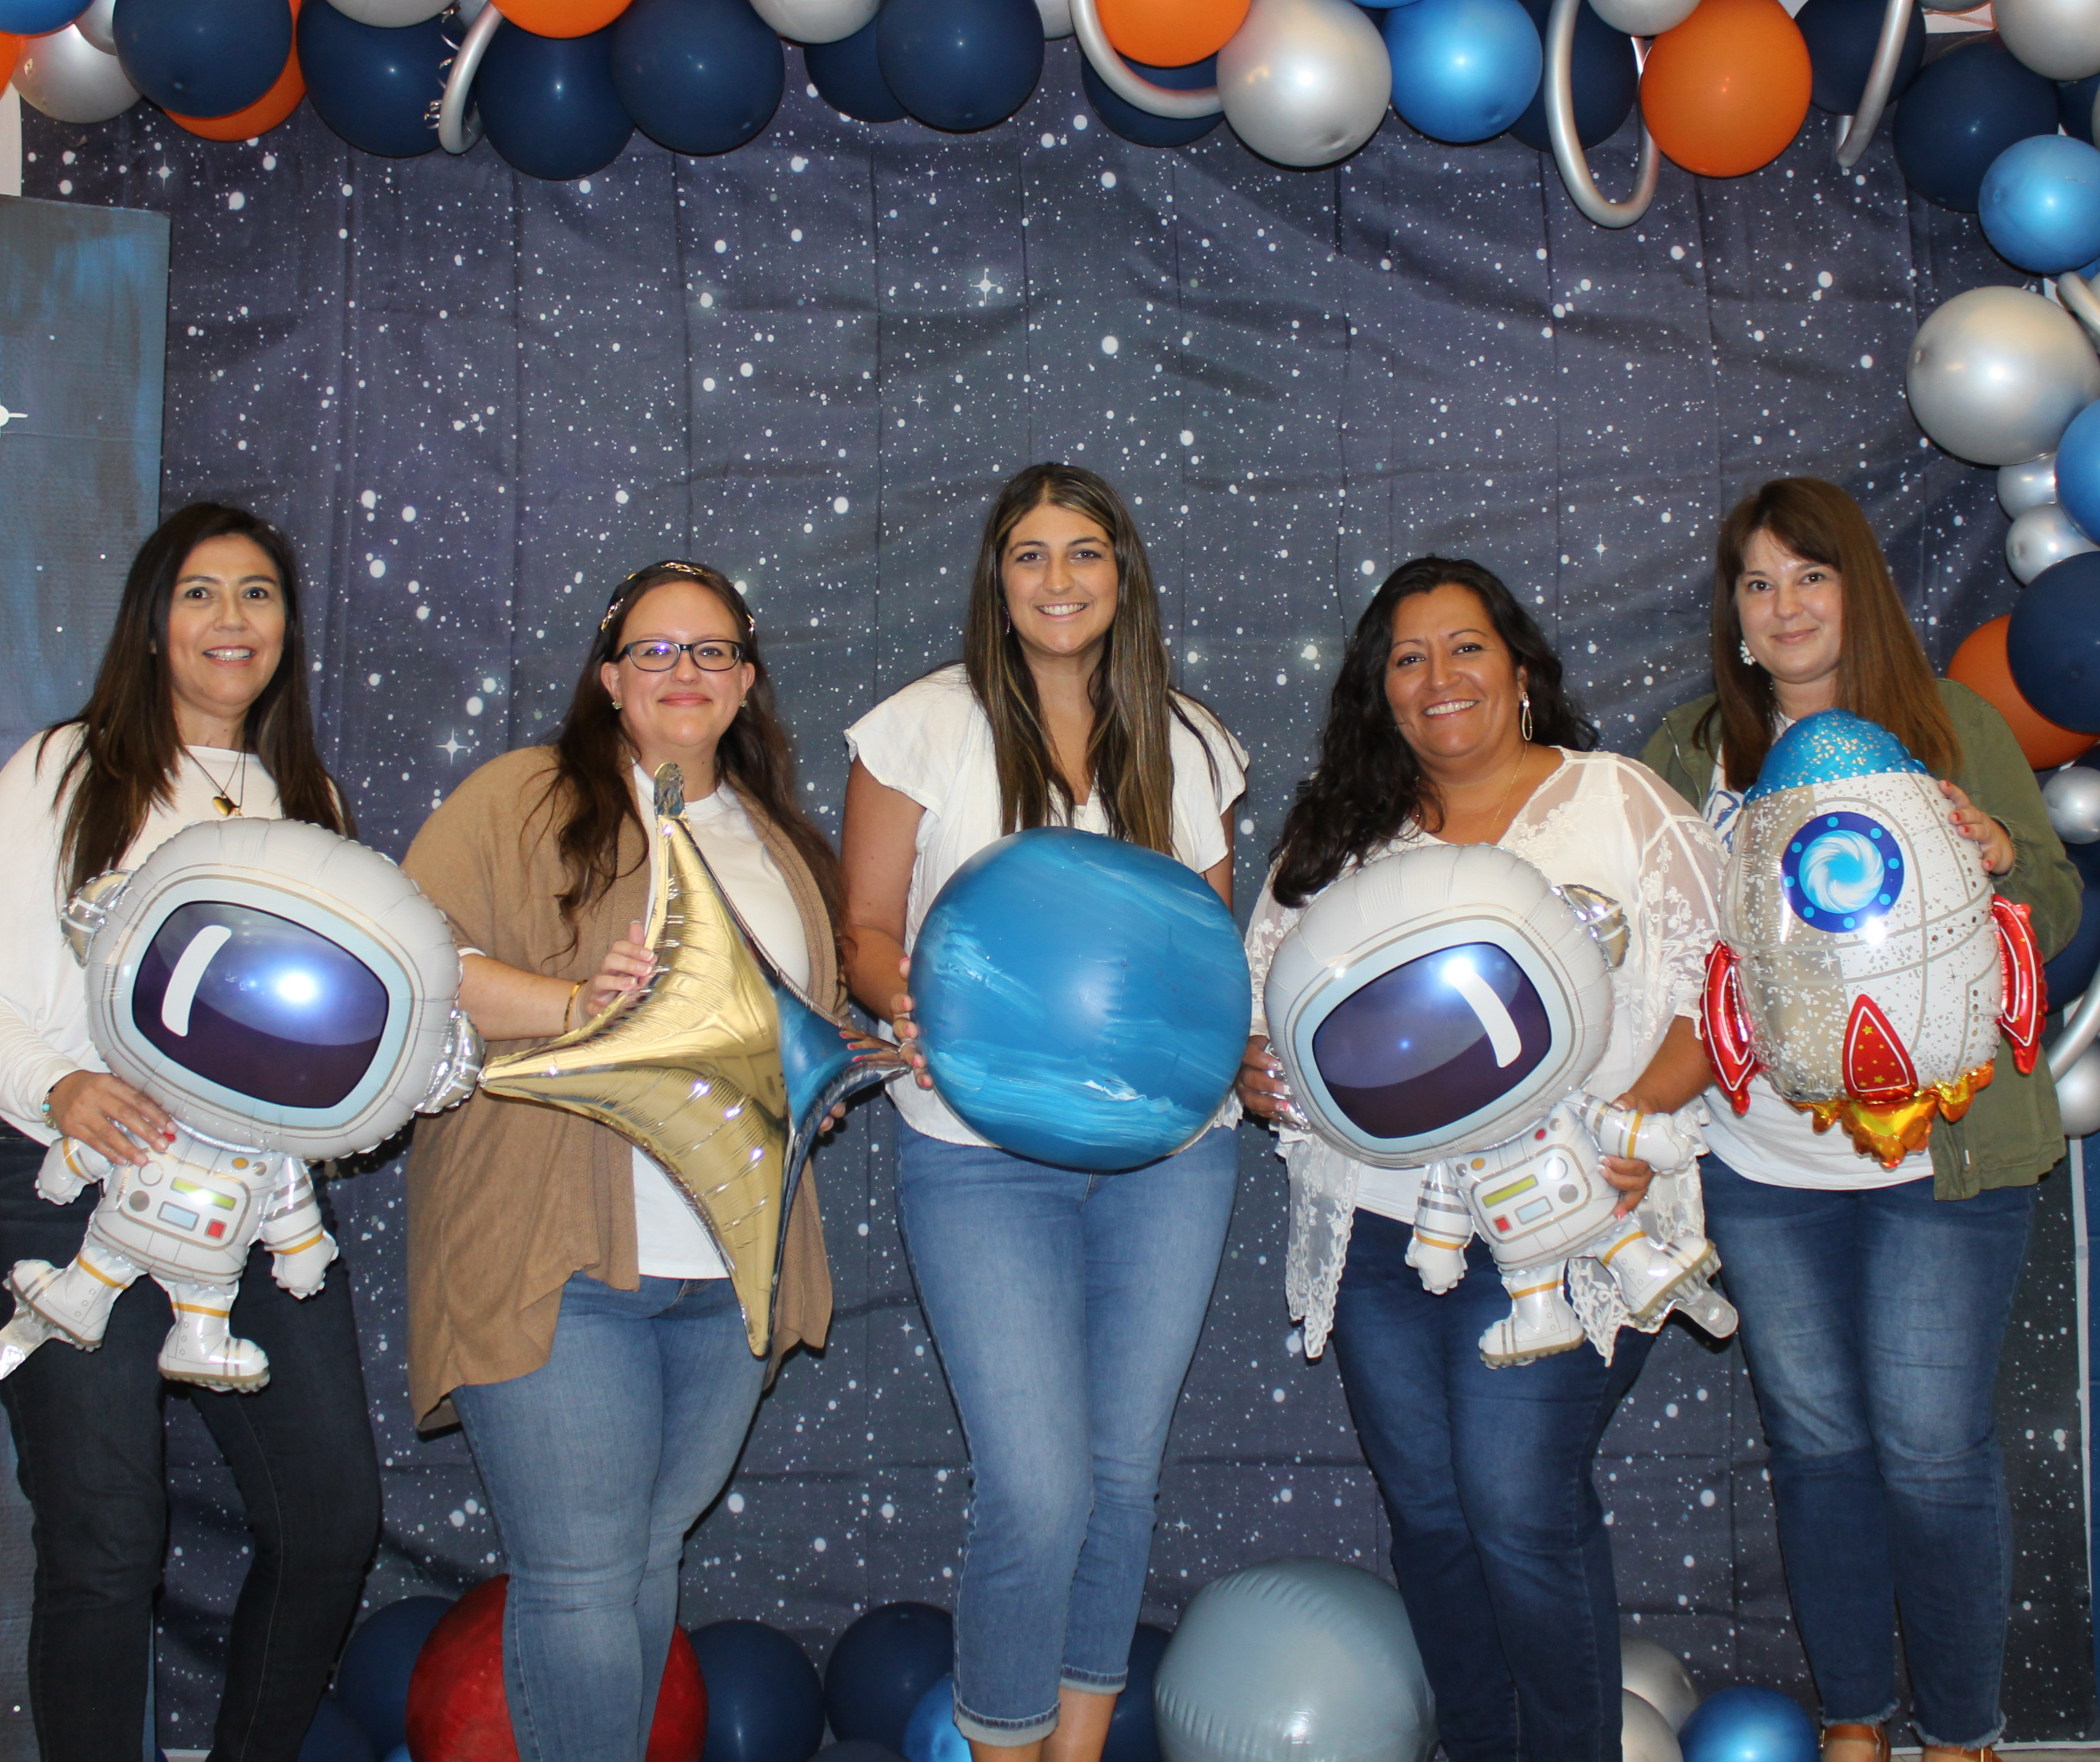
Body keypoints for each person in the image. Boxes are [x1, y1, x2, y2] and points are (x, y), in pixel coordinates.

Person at [1236, 554, 1726, 1762]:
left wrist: (1630, 1133)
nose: (1437, 677)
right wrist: (1256, 1075)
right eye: (1407, 658)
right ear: (1379, 690)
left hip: (1564, 1230)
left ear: (1519, 669)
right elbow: (1262, 1007)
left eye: (1464, 647)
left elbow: (1717, 996)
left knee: (1516, 1510)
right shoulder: (1339, 836)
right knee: (1437, 1523)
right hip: (1381, 1237)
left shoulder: (1617, 802)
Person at [0, 501, 379, 1761]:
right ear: (150, 623)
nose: (229, 620)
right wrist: (58, 1090)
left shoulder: (310, 805)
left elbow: (336, 1039)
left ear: (288, 628)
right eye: (198, 593)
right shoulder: (67, 769)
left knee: (334, 1519)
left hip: (245, 1205)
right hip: (64, 1187)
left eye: (256, 594)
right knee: (107, 1541)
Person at [1637, 478, 2079, 1762]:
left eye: (1808, 576)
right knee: (1818, 1451)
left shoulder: (1949, 727)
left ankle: (1961, 1734)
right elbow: (1664, 958)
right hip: (1764, 1168)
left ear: (1858, 590)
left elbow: (2049, 912)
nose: (1782, 607)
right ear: (1732, 613)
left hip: (1943, 1163)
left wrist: (1998, 859)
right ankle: (1853, 1721)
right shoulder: (1689, 756)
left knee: (1933, 1452)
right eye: (1757, 584)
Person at [400, 558, 849, 1762]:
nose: (684, 673)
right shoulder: (518, 798)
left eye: (711, 652)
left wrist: (824, 1074)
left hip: (722, 1272)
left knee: (648, 1559)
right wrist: (567, 1002)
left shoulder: (778, 846)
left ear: (747, 681)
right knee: (585, 1575)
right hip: (557, 1259)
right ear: (608, 678)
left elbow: (782, 1039)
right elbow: (404, 960)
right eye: (655, 650)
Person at [841, 463, 1248, 1762]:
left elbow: (1207, 955)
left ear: (1123, 574)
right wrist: (894, 997)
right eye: (1029, 553)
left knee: (1120, 1480)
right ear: (994, 578)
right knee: (1035, 1485)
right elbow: (862, 927)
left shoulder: (1189, 744)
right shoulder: (920, 726)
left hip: (1172, 1160)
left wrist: (1232, 1056)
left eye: (1085, 552)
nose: (1058, 579)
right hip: (976, 1154)